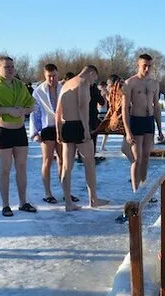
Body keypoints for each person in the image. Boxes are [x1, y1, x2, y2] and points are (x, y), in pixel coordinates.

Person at [0, 56, 37, 216]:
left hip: (19, 131)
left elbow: (31, 104)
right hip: (3, 131)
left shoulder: (19, 85)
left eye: (12, 66)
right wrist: (7, 110)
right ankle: (5, 204)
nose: (11, 69)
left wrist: (25, 110)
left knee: (22, 167)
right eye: (7, 67)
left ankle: (23, 202)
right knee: (5, 169)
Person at [55, 65, 110, 211]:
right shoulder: (83, 82)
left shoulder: (66, 84)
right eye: (94, 80)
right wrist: (86, 129)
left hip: (66, 125)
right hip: (80, 125)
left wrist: (58, 130)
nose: (93, 83)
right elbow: (82, 107)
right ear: (91, 73)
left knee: (66, 167)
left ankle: (68, 202)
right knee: (89, 163)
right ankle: (93, 199)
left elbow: (58, 110)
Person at [29, 63, 71, 204]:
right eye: (49, 76)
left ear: (58, 74)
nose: (52, 79)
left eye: (54, 76)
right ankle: (48, 192)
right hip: (47, 128)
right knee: (47, 160)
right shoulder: (39, 91)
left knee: (62, 160)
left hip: (62, 126)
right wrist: (35, 132)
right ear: (44, 76)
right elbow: (35, 112)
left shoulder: (63, 88)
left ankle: (66, 192)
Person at [122, 54, 162, 192]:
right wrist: (127, 131)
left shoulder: (154, 83)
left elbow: (156, 106)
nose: (147, 68)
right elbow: (124, 109)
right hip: (135, 120)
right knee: (136, 159)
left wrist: (160, 129)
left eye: (149, 66)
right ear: (138, 65)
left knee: (146, 157)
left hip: (148, 121)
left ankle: (144, 187)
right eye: (144, 65)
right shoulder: (130, 83)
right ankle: (135, 190)